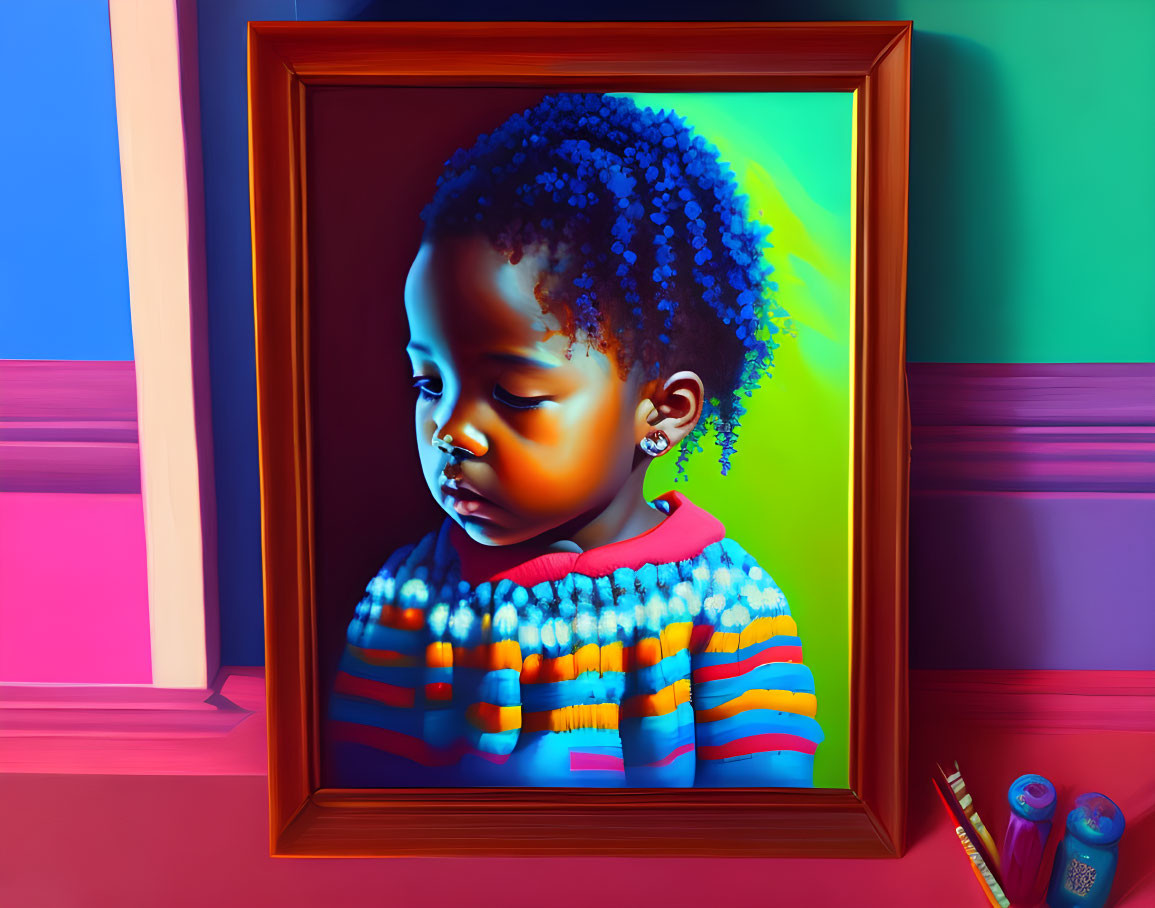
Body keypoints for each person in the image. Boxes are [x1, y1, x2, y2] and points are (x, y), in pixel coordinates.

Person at [327, 93, 822, 787]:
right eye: (428, 383)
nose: (450, 432)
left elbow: (766, 835)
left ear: (663, 412)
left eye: (513, 395)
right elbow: (363, 811)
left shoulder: (725, 609)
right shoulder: (408, 601)